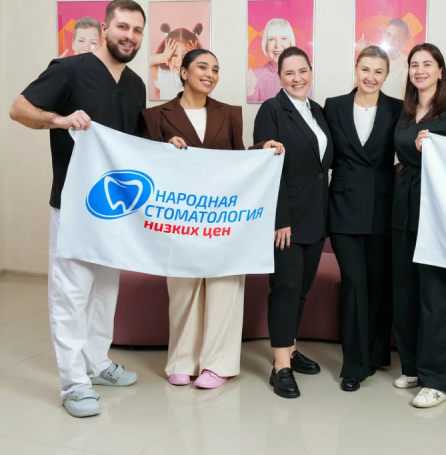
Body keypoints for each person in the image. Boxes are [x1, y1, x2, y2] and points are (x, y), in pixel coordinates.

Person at [8, 0, 148, 418]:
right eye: (123, 27)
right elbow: (18, 109)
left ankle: (98, 363)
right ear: (105, 29)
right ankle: (73, 383)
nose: (130, 36)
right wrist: (60, 120)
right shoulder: (69, 69)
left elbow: (134, 146)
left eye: (137, 30)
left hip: (114, 210)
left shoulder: (136, 85)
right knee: (71, 293)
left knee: (105, 292)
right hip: (73, 205)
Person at [140, 48, 284, 390]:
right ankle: (182, 362)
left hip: (223, 219)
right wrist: (162, 150)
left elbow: (237, 160)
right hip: (181, 218)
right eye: (202, 67)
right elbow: (145, 163)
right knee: (183, 290)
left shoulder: (230, 113)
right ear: (183, 71)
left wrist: (262, 149)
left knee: (224, 288)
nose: (210, 74)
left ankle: (218, 365)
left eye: (216, 69)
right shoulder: (156, 116)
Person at [393, 43, 446, 408]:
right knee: (405, 293)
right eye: (414, 64)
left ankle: (438, 379)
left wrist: (438, 145)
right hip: (404, 208)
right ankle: (412, 366)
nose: (420, 70)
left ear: (440, 71)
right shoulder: (404, 112)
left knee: (436, 294)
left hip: (438, 212)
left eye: (428, 64)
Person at [253, 46, 333, 399]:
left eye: (303, 71)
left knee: (301, 289)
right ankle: (280, 367)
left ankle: (291, 347)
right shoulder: (272, 110)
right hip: (285, 219)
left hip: (316, 216)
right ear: (279, 77)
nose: (297, 78)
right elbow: (267, 167)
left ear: (311, 72)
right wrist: (279, 219)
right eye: (289, 73)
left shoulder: (318, 111)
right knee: (285, 289)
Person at [324, 46, 403, 392]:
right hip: (343, 207)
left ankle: (375, 353)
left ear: (386, 75)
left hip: (383, 207)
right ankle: (354, 365)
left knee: (379, 283)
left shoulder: (398, 108)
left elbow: (405, 150)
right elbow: (321, 150)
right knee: (355, 283)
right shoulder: (333, 106)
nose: (371, 77)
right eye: (365, 69)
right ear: (356, 70)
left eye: (378, 71)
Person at [248, 18, 313, 103]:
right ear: (265, 44)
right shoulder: (254, 77)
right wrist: (250, 91)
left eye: (283, 38)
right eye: (272, 39)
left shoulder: (305, 76)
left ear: (290, 42)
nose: (278, 45)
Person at [355, 18, 410, 99]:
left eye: (396, 38)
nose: (390, 41)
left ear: (403, 42)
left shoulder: (406, 64)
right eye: (388, 35)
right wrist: (355, 48)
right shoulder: (368, 59)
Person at [149, 24, 203, 101]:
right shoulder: (163, 75)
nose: (180, 61)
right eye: (174, 55)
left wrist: (196, 58)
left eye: (186, 55)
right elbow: (143, 64)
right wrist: (163, 57)